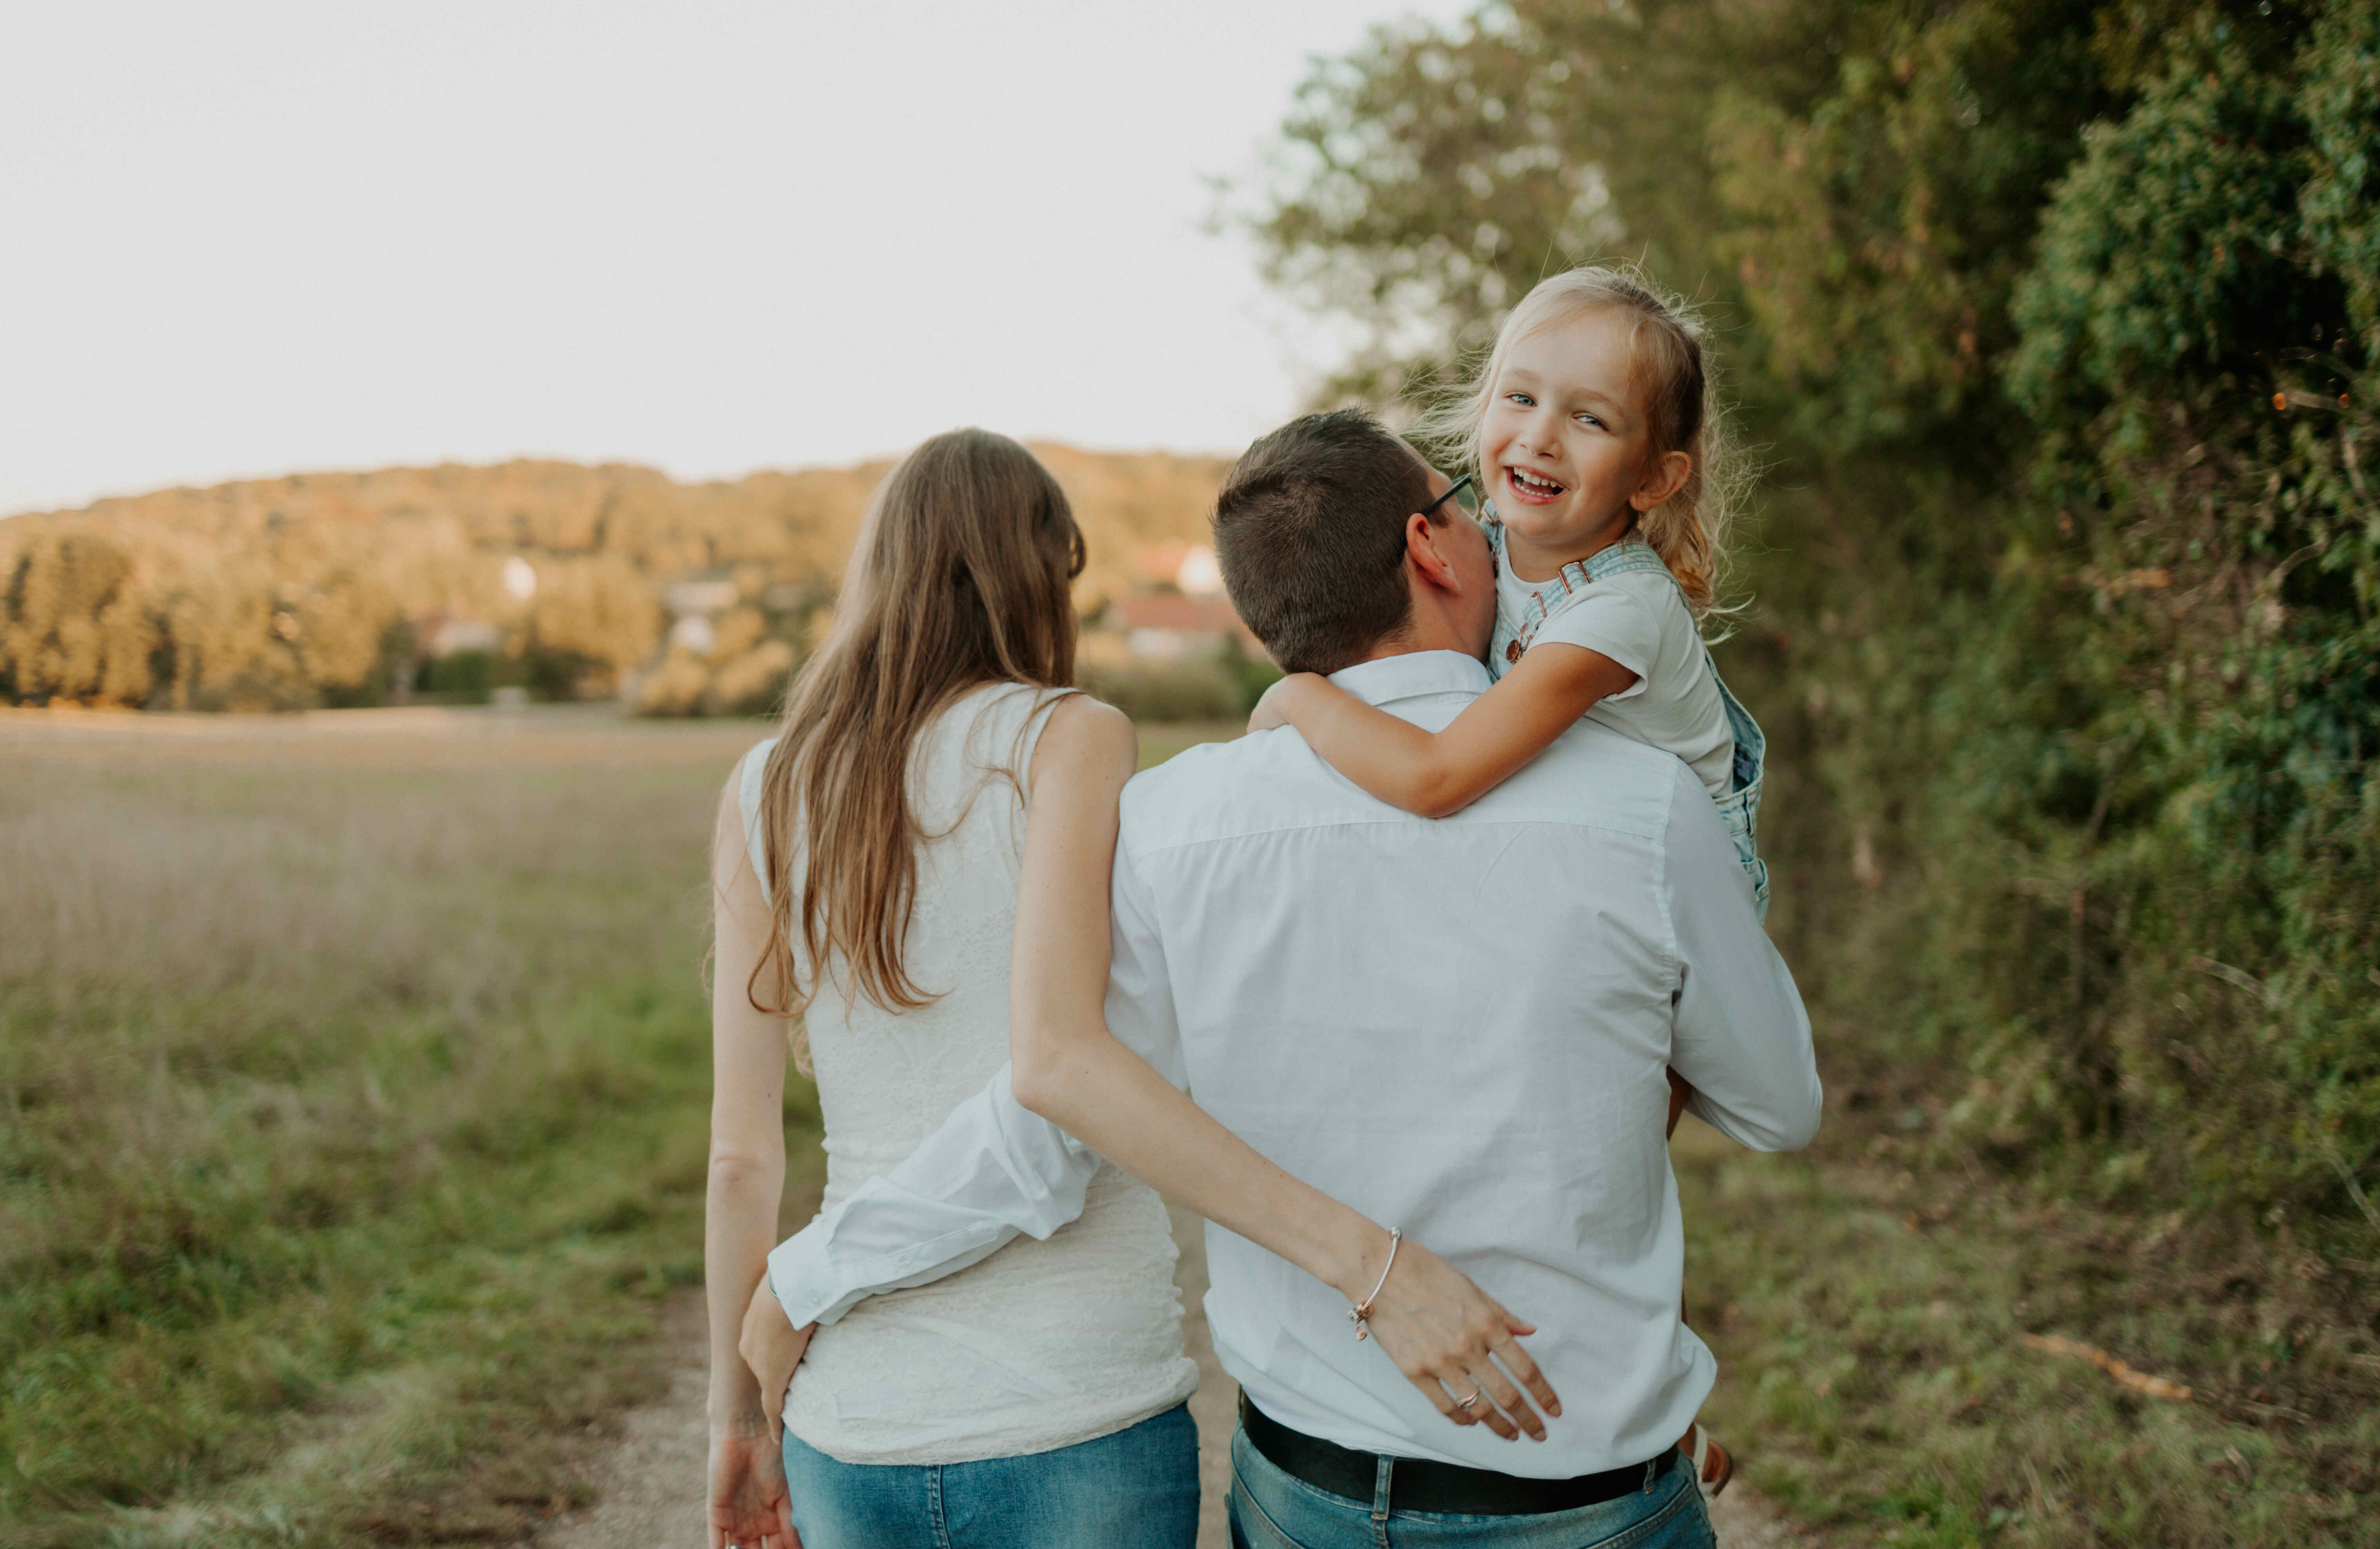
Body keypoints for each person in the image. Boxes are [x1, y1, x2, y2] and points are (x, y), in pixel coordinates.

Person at [745, 409, 1820, 1547]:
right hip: (1588, 1494)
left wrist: (809, 1276)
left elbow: (1049, 1120)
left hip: (1311, 1500)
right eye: (1470, 507)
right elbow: (1778, 1105)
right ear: (1431, 547)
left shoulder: (1166, 829)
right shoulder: (1646, 806)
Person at [1247, 266, 1767, 1486]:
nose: (1538, 435)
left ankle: (1655, 1415)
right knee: (1549, 1182)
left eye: (1589, 419)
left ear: (1654, 477)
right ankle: (1645, 1403)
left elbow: (1438, 775)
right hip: (1576, 880)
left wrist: (1299, 699)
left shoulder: (1623, 614)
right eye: (1520, 397)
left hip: (1675, 915)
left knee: (1582, 1192)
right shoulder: (1503, 564)